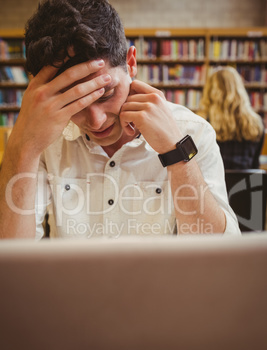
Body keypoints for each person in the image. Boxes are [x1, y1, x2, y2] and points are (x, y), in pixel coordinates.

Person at [0, 0, 240, 240]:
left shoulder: (193, 132)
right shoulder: (44, 140)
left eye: (107, 93)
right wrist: (23, 146)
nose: (96, 121)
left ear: (131, 62)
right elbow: (11, 260)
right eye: (75, 103)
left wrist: (177, 153)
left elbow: (221, 254)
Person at [197, 66, 264, 170]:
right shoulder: (256, 123)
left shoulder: (202, 123)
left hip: (213, 185)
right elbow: (255, 165)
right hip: (247, 184)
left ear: (210, 91)